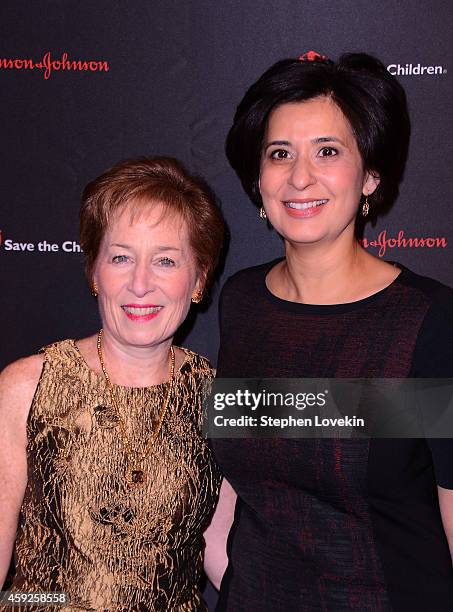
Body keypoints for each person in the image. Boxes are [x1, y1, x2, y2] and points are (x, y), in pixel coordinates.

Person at [206, 52, 453, 611]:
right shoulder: (243, 302)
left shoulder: (428, 322)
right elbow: (238, 482)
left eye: (327, 151)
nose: (300, 176)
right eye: (279, 154)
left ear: (370, 175)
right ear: (258, 179)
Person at [0, 157, 225, 610]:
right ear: (95, 272)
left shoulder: (215, 395)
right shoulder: (28, 385)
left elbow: (225, 555)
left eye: (165, 260)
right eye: (121, 257)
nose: (140, 284)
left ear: (198, 279)